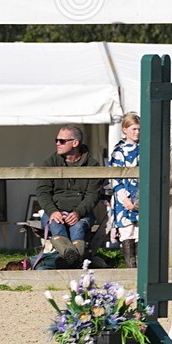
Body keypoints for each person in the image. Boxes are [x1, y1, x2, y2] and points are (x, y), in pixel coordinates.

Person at [35, 125, 103, 268]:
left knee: (78, 227)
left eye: (61, 141)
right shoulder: (50, 163)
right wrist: (53, 211)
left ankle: (66, 259)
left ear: (75, 143)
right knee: (55, 225)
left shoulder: (92, 165)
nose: (57, 143)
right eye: (56, 140)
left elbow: (93, 195)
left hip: (81, 212)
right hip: (55, 210)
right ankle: (74, 259)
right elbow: (43, 192)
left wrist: (78, 213)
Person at [108, 112, 141, 268]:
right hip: (124, 198)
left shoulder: (144, 149)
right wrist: (125, 199)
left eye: (139, 129)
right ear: (125, 130)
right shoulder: (119, 151)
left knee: (140, 231)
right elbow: (115, 177)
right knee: (127, 231)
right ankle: (130, 268)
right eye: (134, 129)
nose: (137, 132)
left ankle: (142, 269)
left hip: (141, 195)